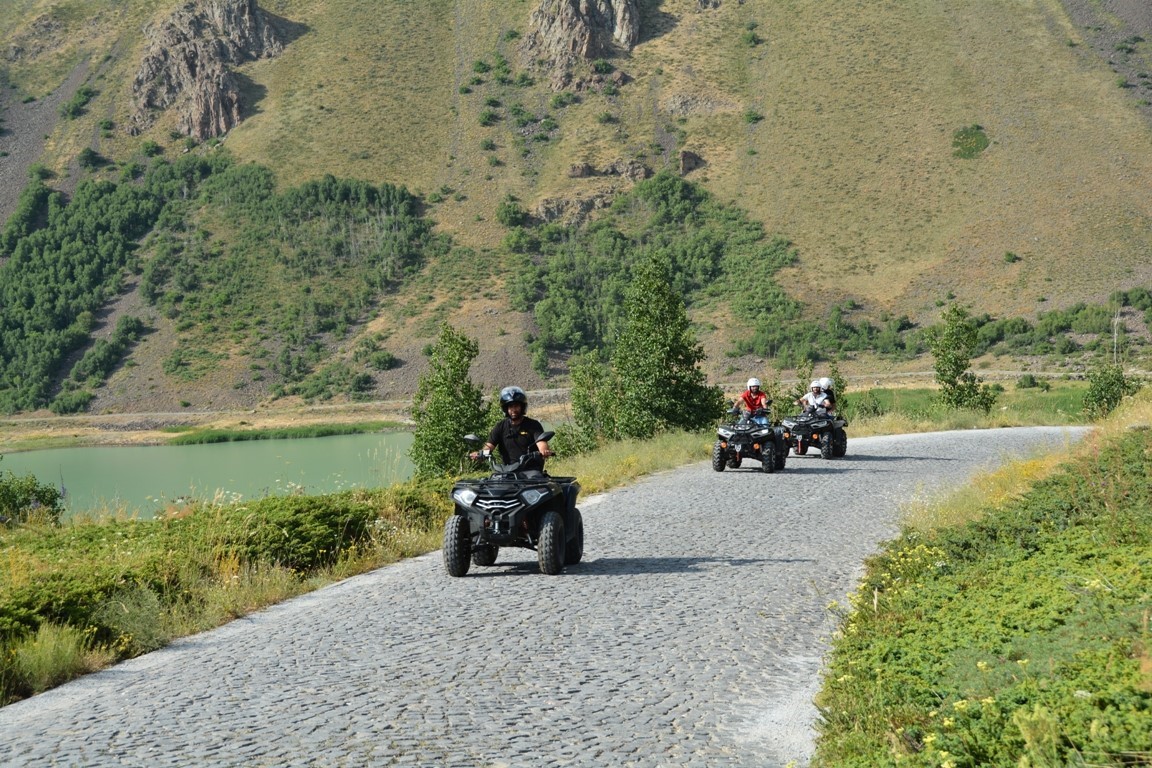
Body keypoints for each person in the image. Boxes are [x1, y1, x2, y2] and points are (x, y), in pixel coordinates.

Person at [470, 386, 553, 466]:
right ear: (506, 409)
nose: (513, 410)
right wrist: (480, 454)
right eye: (510, 406)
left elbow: (541, 443)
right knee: (494, 479)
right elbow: (489, 446)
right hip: (507, 470)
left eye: (516, 406)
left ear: (522, 407)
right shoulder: (500, 427)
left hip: (530, 470)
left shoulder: (533, 425)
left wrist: (544, 451)